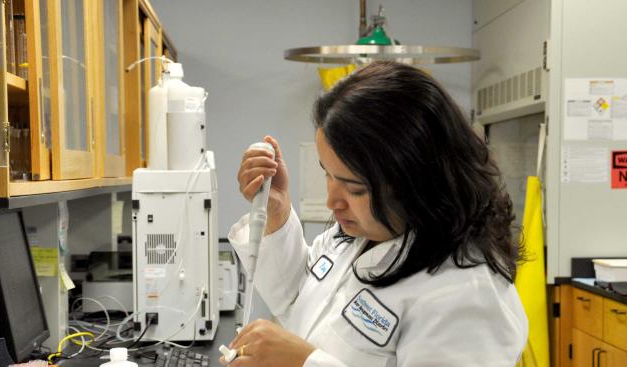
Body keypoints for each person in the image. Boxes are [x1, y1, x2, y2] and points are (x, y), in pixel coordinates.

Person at [226, 61, 527, 367]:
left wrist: (305, 363)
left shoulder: (466, 297)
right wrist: (276, 211)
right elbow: (298, 301)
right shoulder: (361, 235)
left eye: (355, 188)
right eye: (328, 175)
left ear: (416, 180)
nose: (332, 202)